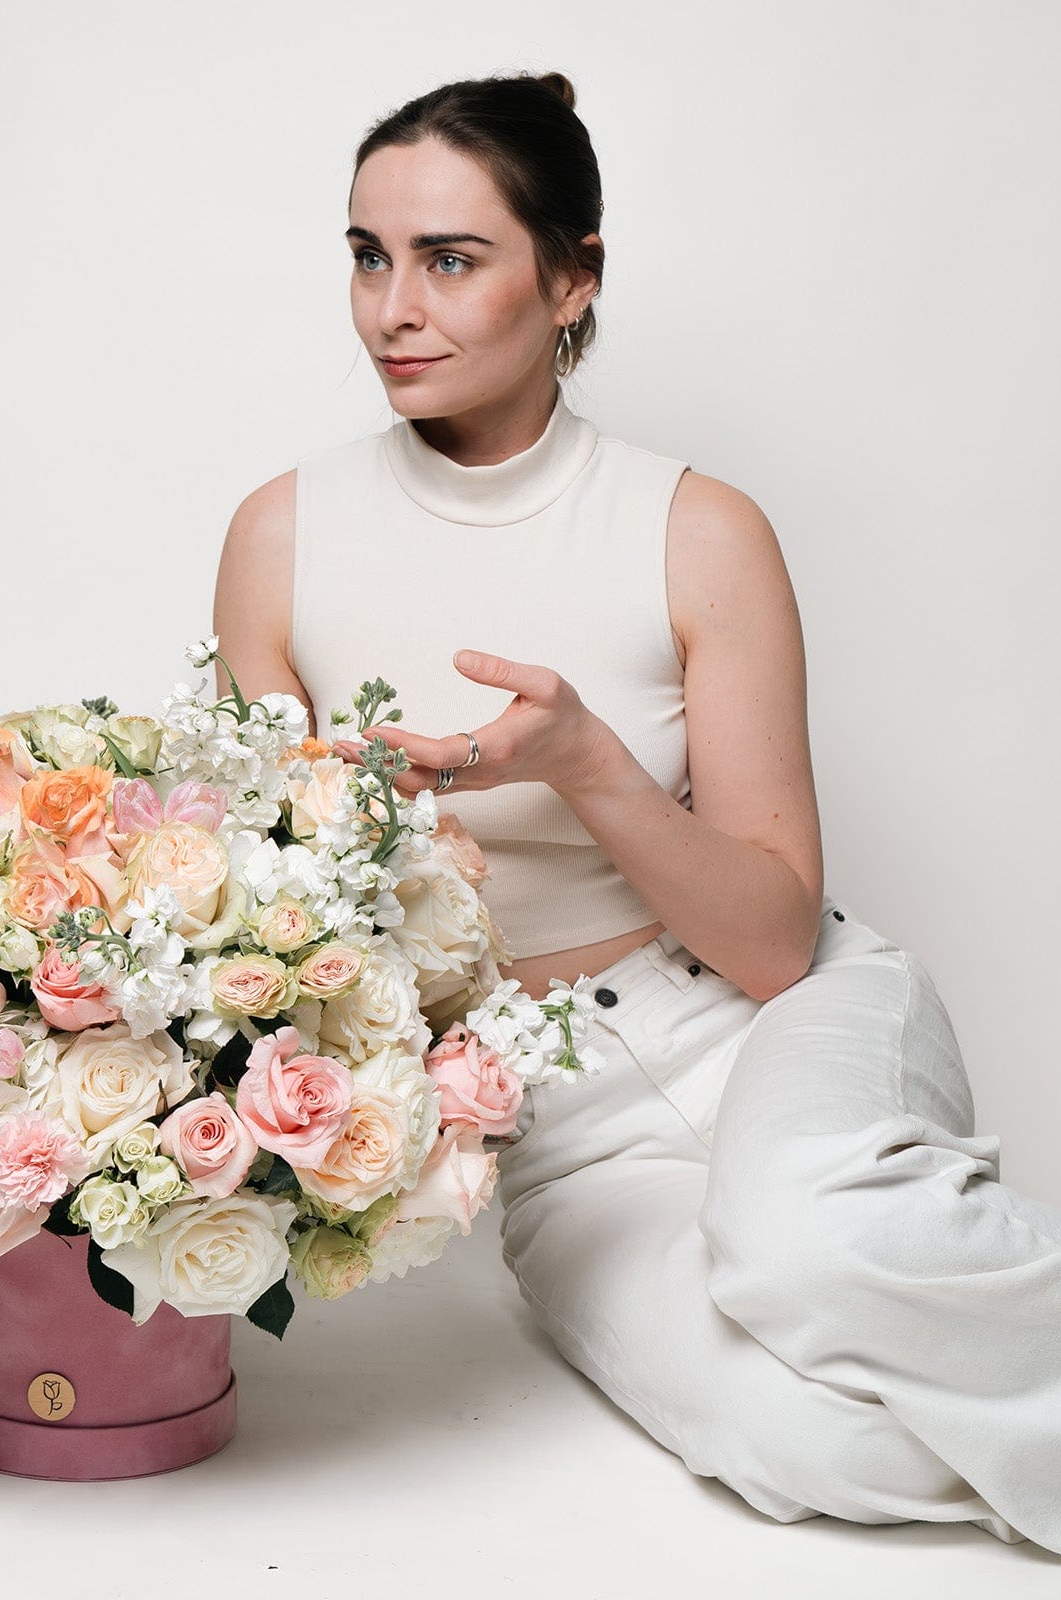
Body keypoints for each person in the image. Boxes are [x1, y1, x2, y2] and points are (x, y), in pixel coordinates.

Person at [210, 69, 1061, 1553]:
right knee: (801, 1441)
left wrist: (587, 762)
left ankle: (892, 1231)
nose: (392, 308)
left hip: (766, 1016)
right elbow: (281, 925)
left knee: (810, 1245)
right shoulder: (279, 537)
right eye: (368, 254)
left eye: (451, 260)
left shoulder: (699, 529)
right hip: (551, 1121)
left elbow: (775, 944)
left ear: (572, 278)